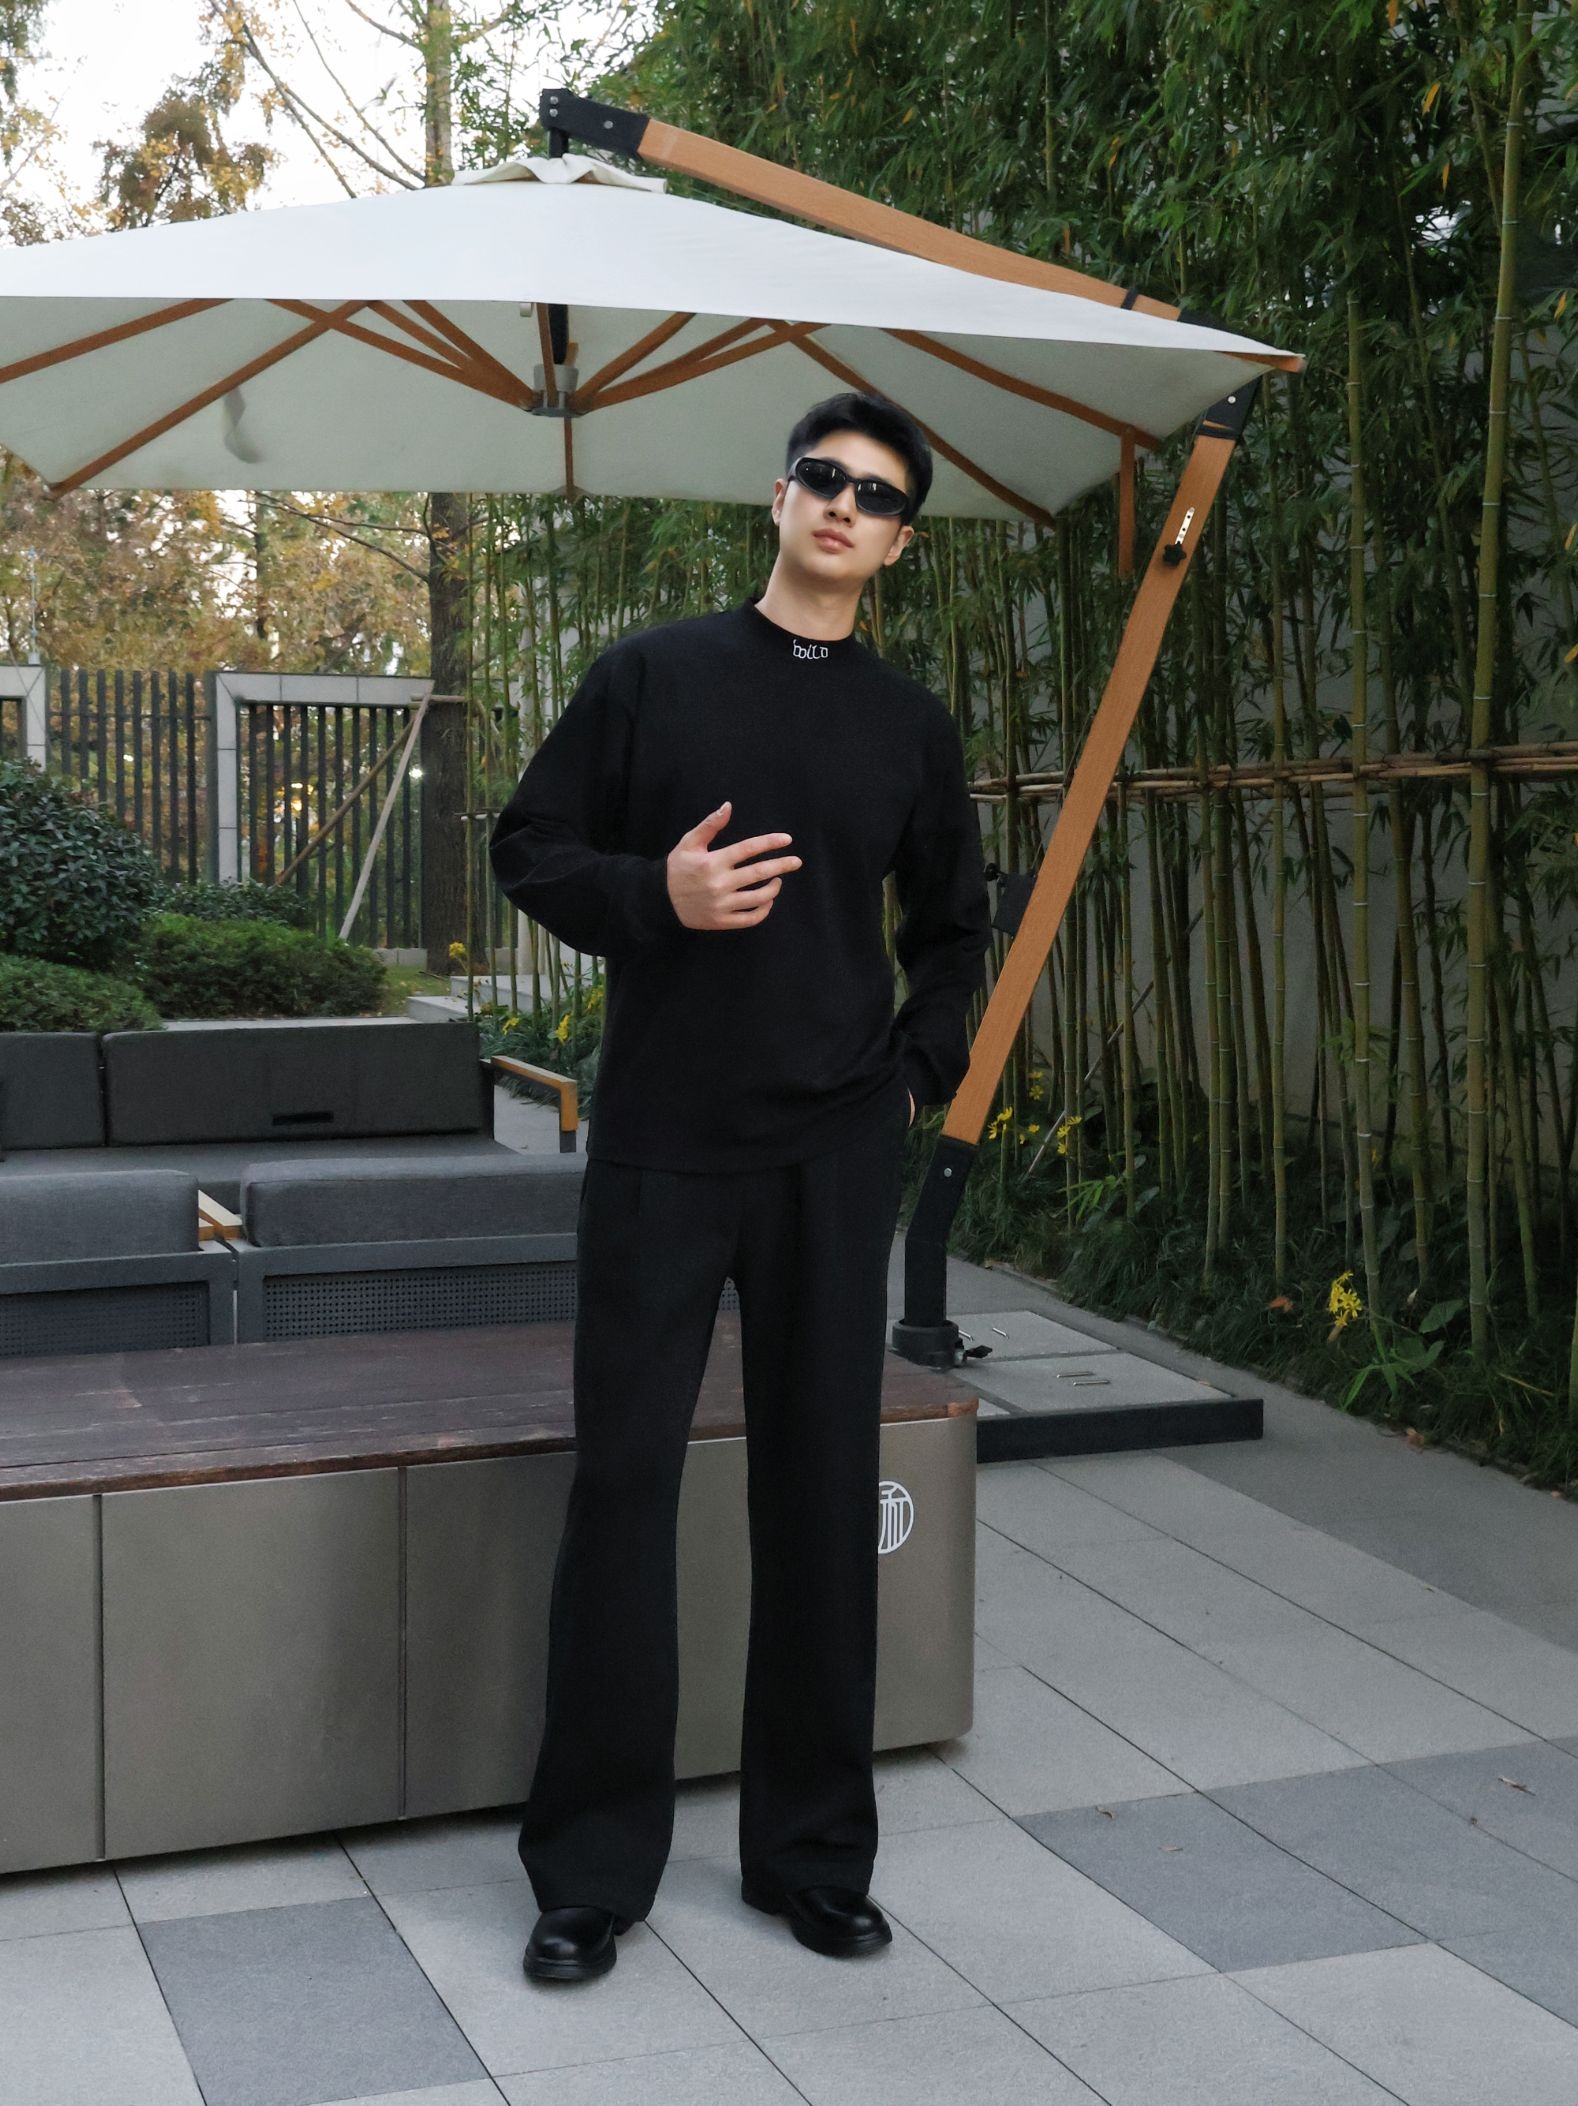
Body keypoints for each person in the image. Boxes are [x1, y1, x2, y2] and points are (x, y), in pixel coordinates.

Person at [488, 389, 992, 1985]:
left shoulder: (908, 726)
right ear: (777, 498)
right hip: (660, 1143)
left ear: (897, 543)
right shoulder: (651, 676)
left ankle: (810, 1855)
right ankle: (589, 1873)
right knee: (624, 1488)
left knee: (822, 1495)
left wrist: (910, 1077)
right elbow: (527, 845)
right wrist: (660, 891)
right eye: (823, 478)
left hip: (831, 1152)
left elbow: (954, 929)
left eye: (878, 495)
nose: (844, 505)